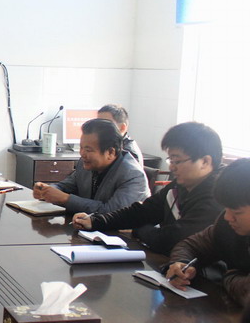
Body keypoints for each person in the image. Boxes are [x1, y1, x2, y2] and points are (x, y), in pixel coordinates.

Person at [72, 122, 223, 255]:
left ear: (205, 161)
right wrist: (96, 221)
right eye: (170, 160)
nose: (171, 167)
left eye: (177, 161)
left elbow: (171, 240)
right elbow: (143, 211)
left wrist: (137, 230)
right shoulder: (180, 185)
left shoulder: (217, 195)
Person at [166, 158, 250, 306]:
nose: (227, 217)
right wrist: (181, 263)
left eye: (237, 212)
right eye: (226, 208)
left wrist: (229, 276)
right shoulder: (226, 224)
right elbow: (191, 245)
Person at [33, 118, 149, 214]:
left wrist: (65, 199)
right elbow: (66, 186)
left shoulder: (132, 175)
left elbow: (111, 213)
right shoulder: (86, 164)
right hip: (86, 228)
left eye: (88, 150)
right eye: (81, 147)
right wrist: (47, 190)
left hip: (120, 234)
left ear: (110, 152)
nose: (82, 153)